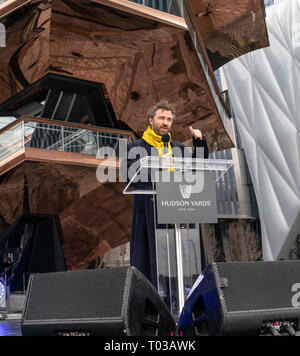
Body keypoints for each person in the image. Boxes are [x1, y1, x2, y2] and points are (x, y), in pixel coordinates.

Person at [122, 100, 209, 288]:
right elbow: (128, 177)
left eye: (169, 119)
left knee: (180, 264)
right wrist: (157, 165)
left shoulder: (178, 148)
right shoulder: (135, 148)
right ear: (151, 120)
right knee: (153, 266)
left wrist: (199, 143)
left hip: (177, 214)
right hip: (150, 213)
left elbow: (197, 169)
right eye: (161, 118)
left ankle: (186, 297)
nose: (165, 122)